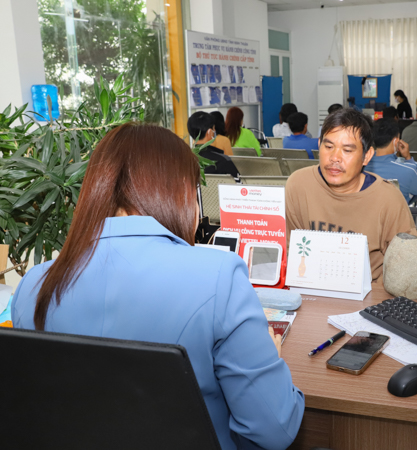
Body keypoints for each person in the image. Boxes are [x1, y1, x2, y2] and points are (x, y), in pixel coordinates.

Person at [10, 123, 305, 450]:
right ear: (178, 192)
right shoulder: (219, 275)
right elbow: (273, 430)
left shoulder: (34, 285)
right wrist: (271, 359)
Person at [285, 108, 417, 281]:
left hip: (371, 293)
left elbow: (408, 269)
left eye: (347, 150)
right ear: (319, 145)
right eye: (328, 146)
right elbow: (290, 253)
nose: (335, 158)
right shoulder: (299, 185)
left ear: (367, 156)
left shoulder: (388, 199)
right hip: (309, 288)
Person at [365, 118, 417, 205]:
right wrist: (408, 158)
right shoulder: (408, 170)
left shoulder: (362, 165)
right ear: (396, 141)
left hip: (370, 207)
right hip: (398, 210)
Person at [187, 111, 240, 180]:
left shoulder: (184, 160)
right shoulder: (223, 161)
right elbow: (238, 182)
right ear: (209, 132)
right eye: (214, 129)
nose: (214, 131)